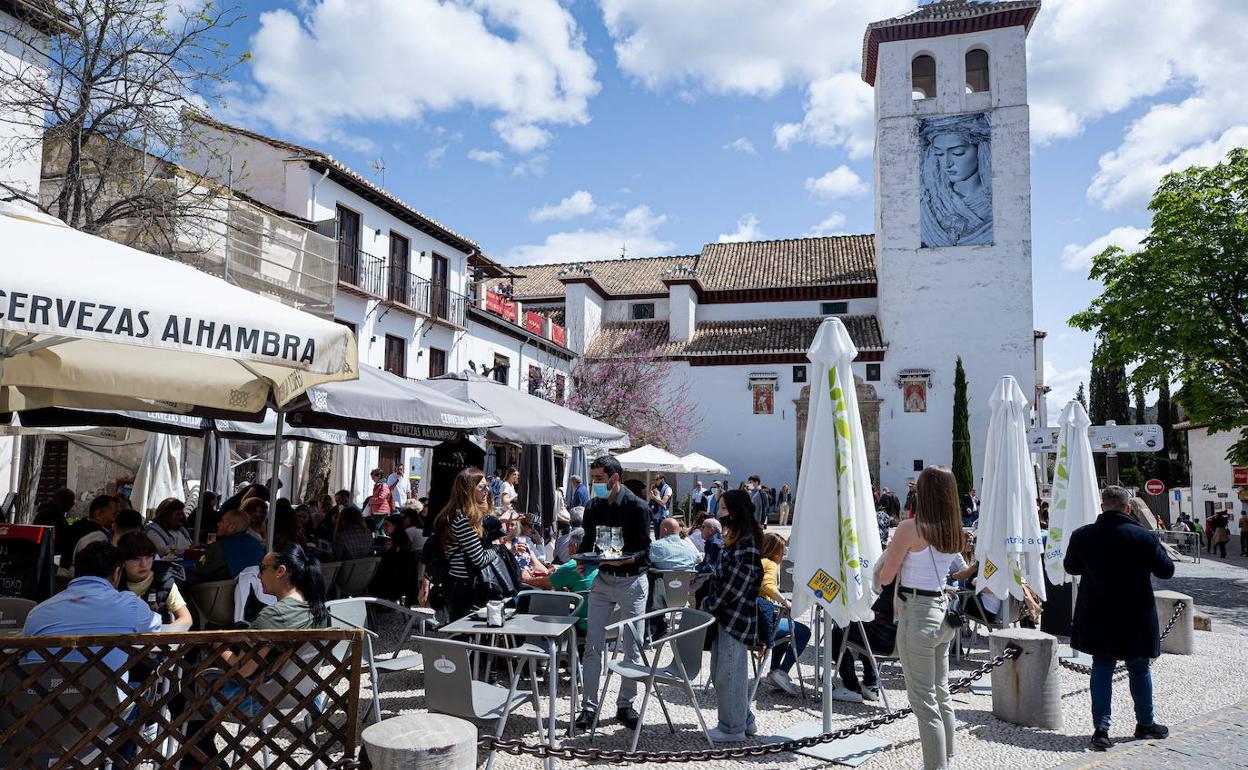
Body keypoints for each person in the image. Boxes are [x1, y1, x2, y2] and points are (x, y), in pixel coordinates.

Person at [187, 543, 330, 763]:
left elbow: (242, 669)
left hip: (261, 699)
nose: (258, 573)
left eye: (262, 568)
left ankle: (198, 760)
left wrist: (218, 645)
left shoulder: (274, 616)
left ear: (280, 571)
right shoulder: (320, 613)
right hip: (305, 696)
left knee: (190, 685)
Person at [1064, 485, 1175, 751]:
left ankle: (1101, 729)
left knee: (1102, 667)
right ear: (1128, 508)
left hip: (1098, 613)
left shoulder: (1082, 535)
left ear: (1102, 507)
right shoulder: (1143, 537)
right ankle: (1145, 723)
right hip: (1135, 614)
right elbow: (1166, 571)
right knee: (1139, 668)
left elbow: (1070, 567)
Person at [875, 465, 968, 770]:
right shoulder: (953, 530)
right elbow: (953, 569)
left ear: (923, 492)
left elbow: (886, 578)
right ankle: (948, 755)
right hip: (942, 614)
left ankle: (936, 766)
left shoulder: (910, 528)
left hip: (917, 614)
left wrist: (893, 555)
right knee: (941, 692)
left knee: (923, 700)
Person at [574, 454, 652, 732]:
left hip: (632, 581)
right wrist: (582, 560)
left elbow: (645, 552)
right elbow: (588, 541)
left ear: (614, 478)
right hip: (604, 579)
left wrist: (625, 560)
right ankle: (588, 707)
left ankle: (625, 705)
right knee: (593, 645)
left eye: (598, 479)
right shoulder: (593, 506)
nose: (594, 484)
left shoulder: (638, 507)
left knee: (633, 646)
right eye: (593, 478)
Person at [23, 542, 163, 669]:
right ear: (116, 573)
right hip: (108, 694)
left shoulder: (38, 612)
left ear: (76, 571)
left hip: (44, 694)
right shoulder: (131, 605)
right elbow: (156, 626)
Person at [705, 489, 764, 742]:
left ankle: (732, 728)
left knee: (728, 673)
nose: (720, 514)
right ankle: (745, 719)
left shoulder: (746, 542)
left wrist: (711, 602)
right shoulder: (738, 538)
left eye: (724, 509)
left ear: (736, 511)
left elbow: (736, 584)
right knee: (724, 670)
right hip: (728, 616)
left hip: (735, 617)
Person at [425, 468, 499, 621]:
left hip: (465, 586)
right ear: (469, 491)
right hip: (463, 588)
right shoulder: (464, 521)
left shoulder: (466, 517)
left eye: (487, 485)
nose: (487, 490)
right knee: (462, 638)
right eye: (482, 487)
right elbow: (480, 559)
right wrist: (497, 547)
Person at [827, 581, 899, 703]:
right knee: (863, 629)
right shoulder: (910, 586)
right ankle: (870, 685)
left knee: (837, 634)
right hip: (898, 645)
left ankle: (852, 688)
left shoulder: (884, 580)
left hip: (882, 641)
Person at [758, 533, 810, 696]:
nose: (783, 556)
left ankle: (774, 671)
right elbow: (767, 586)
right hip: (762, 624)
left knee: (785, 630)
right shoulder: (771, 564)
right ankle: (782, 672)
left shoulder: (757, 562)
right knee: (803, 632)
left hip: (752, 622)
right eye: (782, 552)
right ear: (775, 552)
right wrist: (784, 601)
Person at [523, 528, 597, 634]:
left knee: (549, 612)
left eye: (569, 544)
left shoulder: (574, 565)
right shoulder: (600, 563)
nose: (567, 547)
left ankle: (544, 643)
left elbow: (544, 583)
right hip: (609, 623)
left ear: (575, 546)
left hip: (585, 625)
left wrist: (523, 578)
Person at [117, 532, 192, 626]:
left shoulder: (164, 581)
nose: (143, 564)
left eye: (148, 557)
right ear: (122, 562)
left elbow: (186, 618)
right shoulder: (113, 582)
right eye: (136, 559)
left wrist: (163, 633)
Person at [184, 509, 266, 585]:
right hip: (247, 596)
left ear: (231, 528)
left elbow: (198, 572)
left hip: (210, 595)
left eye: (222, 521)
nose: (218, 524)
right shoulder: (258, 548)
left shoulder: (218, 548)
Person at [60, 494, 120, 560]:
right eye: (115, 514)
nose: (118, 518)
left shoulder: (79, 526)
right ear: (98, 514)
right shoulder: (97, 536)